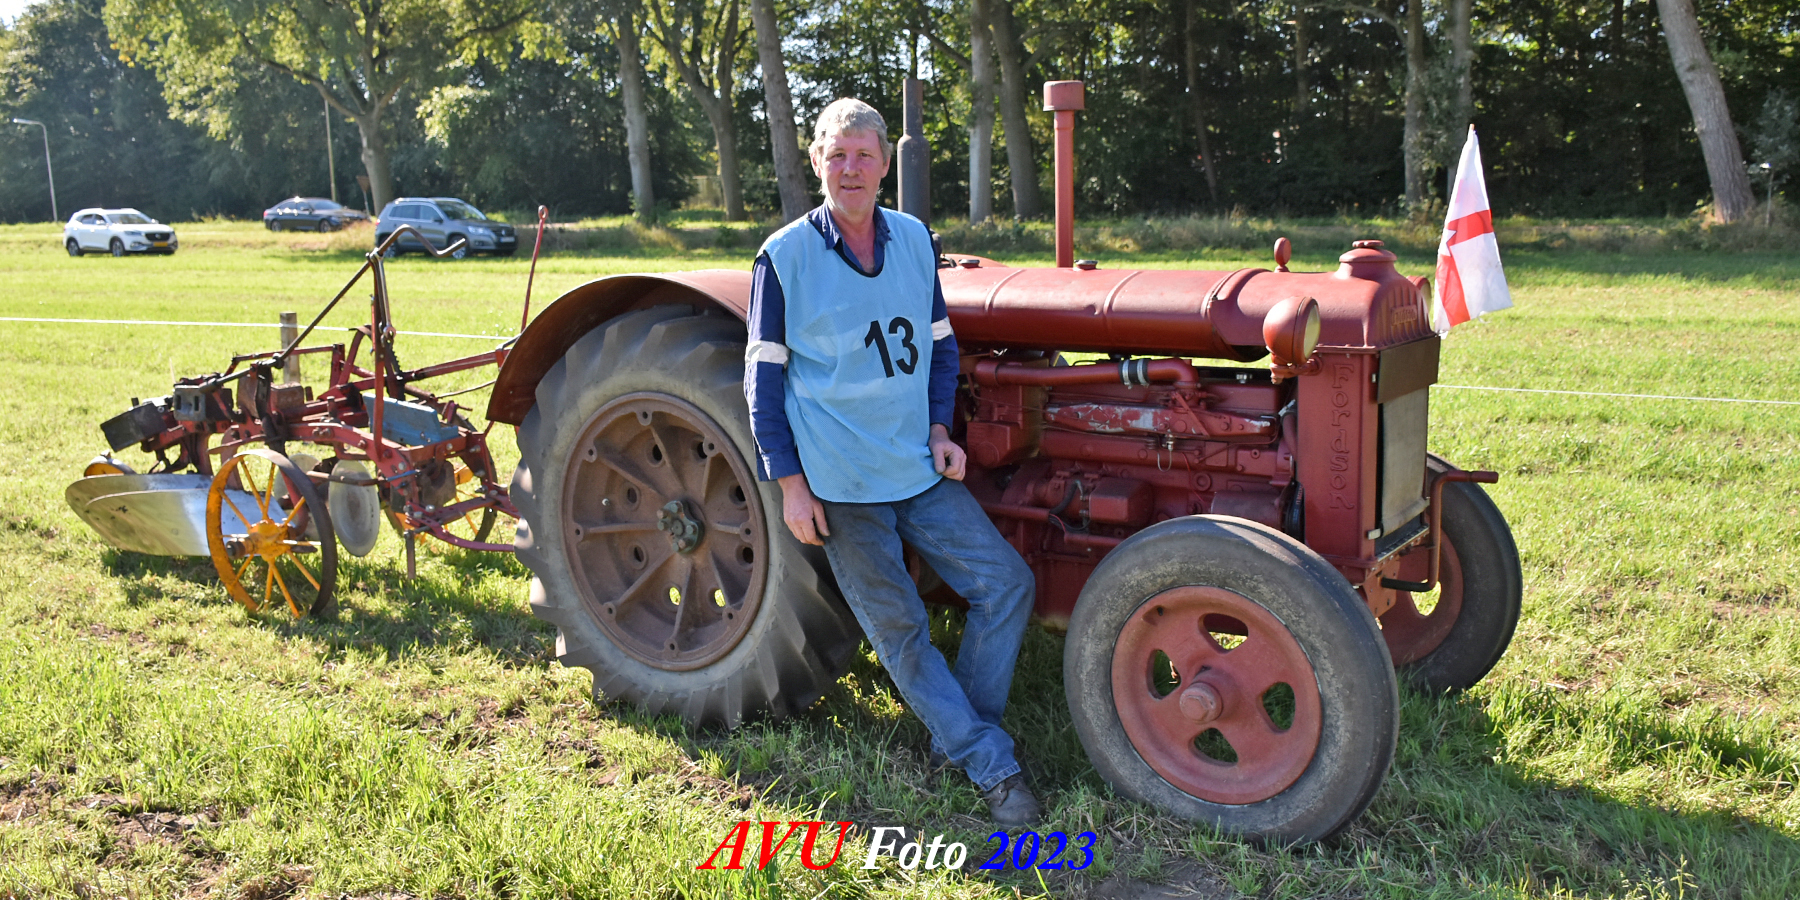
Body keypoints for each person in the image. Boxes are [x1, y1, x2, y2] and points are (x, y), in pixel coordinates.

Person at [743, 97, 1042, 825]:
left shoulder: (911, 238)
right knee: (902, 631)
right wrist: (791, 485)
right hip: (840, 482)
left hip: (914, 464)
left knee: (1007, 584)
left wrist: (940, 429)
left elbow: (940, 346)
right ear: (818, 162)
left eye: (864, 156)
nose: (851, 169)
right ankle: (992, 766)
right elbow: (762, 381)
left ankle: (956, 736)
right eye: (837, 155)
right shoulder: (784, 256)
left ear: (884, 166)